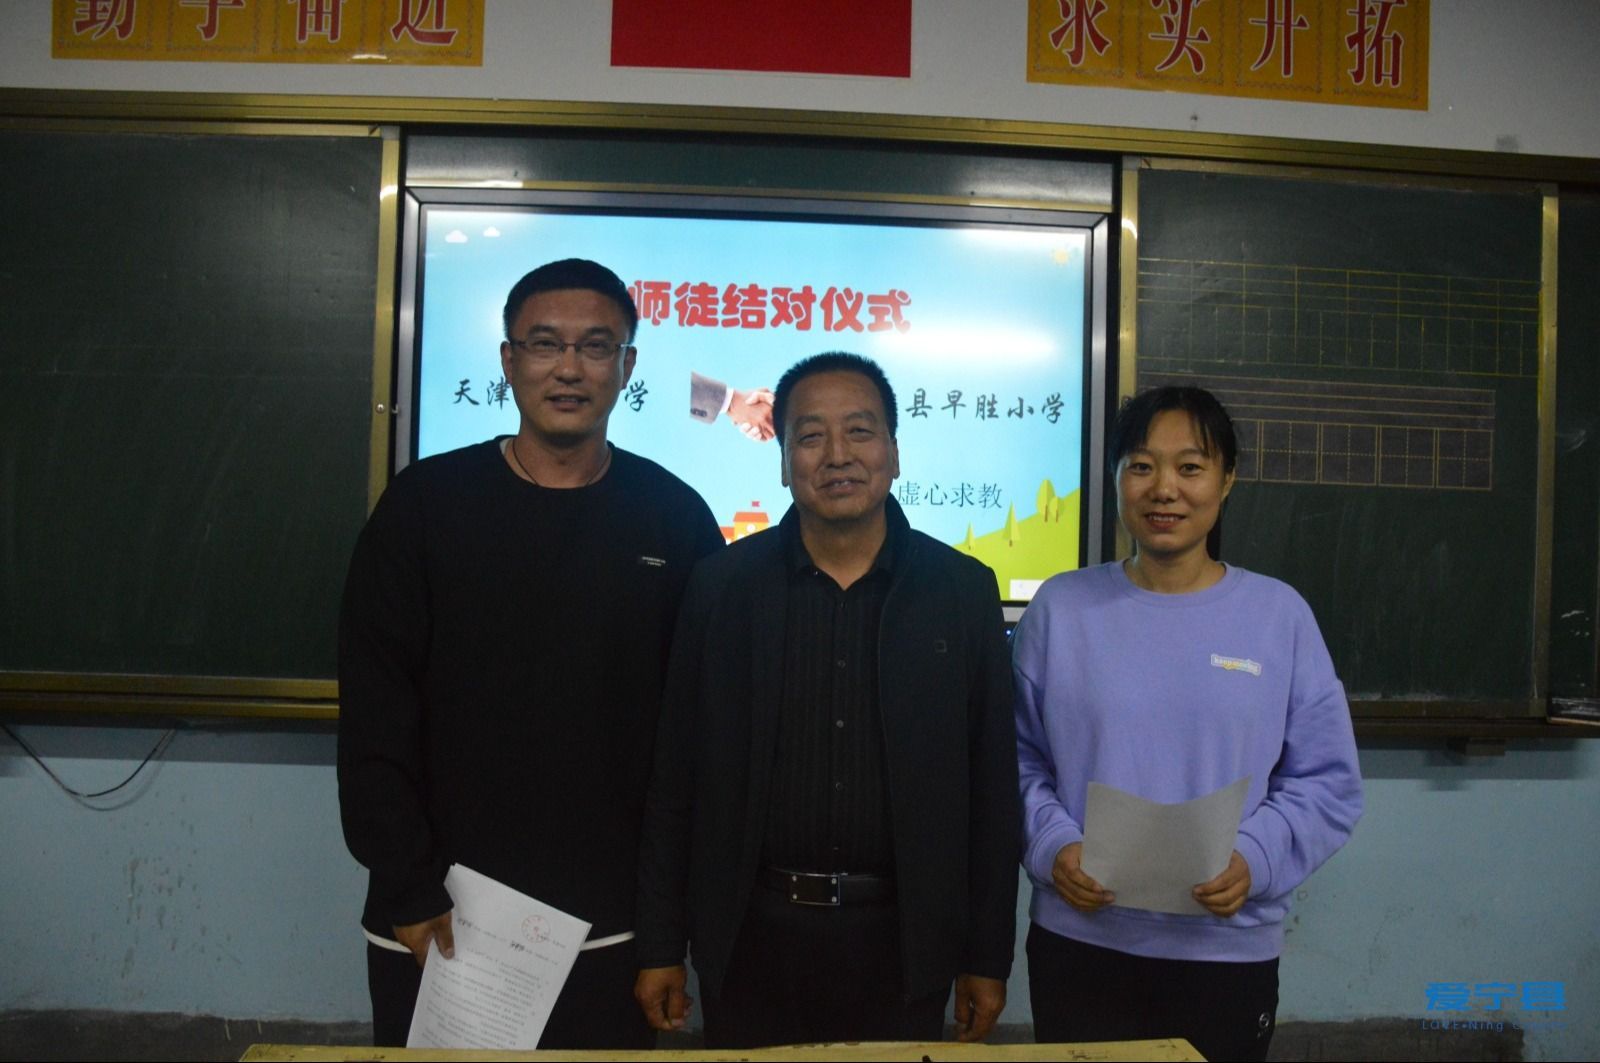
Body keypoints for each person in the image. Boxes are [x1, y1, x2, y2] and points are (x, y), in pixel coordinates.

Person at [337, 258, 723, 1049]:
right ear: (509, 361)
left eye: (595, 346)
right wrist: (408, 882)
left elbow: (693, 739)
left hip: (609, 927)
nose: (569, 368)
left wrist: (666, 926)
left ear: (627, 366)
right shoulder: (423, 508)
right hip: (441, 916)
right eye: (545, 344)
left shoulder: (675, 518)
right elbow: (375, 711)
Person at [634, 352, 1020, 1048]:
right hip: (752, 939)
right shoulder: (721, 587)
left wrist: (987, 958)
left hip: (904, 943)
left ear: (894, 452)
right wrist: (662, 943)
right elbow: (676, 779)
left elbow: (991, 792)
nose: (837, 455)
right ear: (783, 461)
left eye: (860, 431)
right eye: (810, 436)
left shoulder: (961, 590)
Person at [1012, 385, 1363, 1061]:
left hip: (1226, 950)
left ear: (1226, 480)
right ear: (1116, 477)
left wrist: (1257, 858)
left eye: (1191, 467)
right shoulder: (1061, 609)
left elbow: (1327, 782)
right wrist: (1053, 843)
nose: (1164, 489)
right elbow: (1015, 758)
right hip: (1081, 942)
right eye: (1141, 466)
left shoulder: (1278, 616)